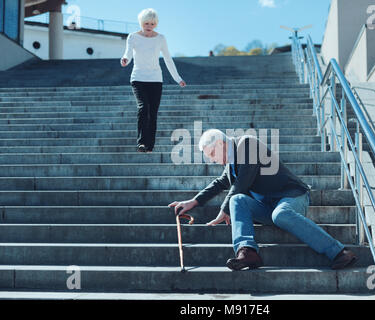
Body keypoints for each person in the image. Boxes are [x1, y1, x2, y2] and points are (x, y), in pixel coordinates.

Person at [168, 129, 358, 271]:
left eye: (211, 155)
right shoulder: (232, 162)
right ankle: (247, 252)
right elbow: (220, 183)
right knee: (238, 201)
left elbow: (240, 184)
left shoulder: (247, 144)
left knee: (279, 214)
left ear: (220, 144)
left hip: (292, 196)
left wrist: (223, 211)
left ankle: (339, 252)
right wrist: (192, 202)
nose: (211, 160)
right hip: (269, 206)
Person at [121, 8, 186, 153]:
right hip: (138, 78)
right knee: (143, 108)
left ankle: (150, 145)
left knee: (153, 113)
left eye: (151, 23)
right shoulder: (133, 37)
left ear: (155, 24)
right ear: (141, 23)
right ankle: (142, 143)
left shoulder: (161, 38)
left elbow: (168, 59)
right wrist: (125, 59)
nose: (148, 26)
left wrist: (178, 79)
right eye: (146, 23)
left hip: (155, 80)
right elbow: (128, 53)